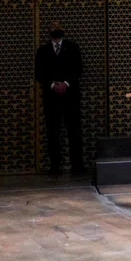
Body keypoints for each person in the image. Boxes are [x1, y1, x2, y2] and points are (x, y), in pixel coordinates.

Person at [34, 22, 84, 174]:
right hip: (51, 97)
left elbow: (79, 69)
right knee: (52, 131)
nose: (56, 30)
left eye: (58, 27)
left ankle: (77, 165)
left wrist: (66, 84)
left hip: (70, 96)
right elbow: (39, 73)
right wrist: (52, 85)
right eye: (53, 28)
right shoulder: (42, 51)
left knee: (74, 130)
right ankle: (54, 166)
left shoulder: (73, 47)